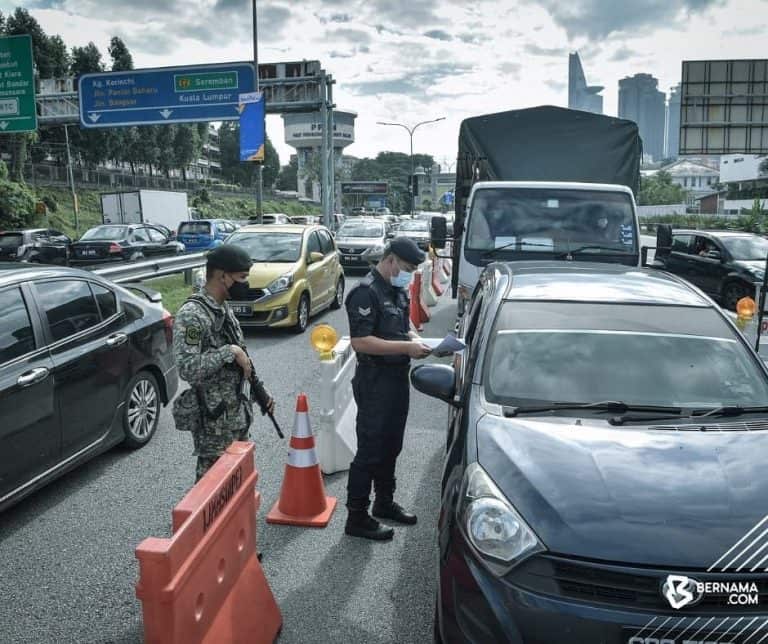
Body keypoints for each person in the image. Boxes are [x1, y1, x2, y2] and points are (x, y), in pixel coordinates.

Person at [344, 236, 432, 541]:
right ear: (390, 259)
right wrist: (406, 348)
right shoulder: (365, 293)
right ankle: (356, 516)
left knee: (391, 445)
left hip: (396, 379)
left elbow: (404, 325)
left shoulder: (397, 289)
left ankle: (384, 502)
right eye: (406, 267)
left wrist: (414, 339)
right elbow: (361, 341)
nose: (408, 274)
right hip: (374, 379)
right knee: (370, 449)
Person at [173, 244, 274, 481]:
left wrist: (260, 392)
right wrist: (229, 352)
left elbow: (242, 360)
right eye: (241, 277)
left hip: (236, 416)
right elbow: (188, 368)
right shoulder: (193, 315)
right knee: (212, 498)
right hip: (214, 425)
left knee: (238, 489)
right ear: (222, 276)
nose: (245, 283)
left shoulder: (222, 308)